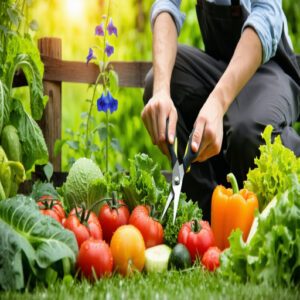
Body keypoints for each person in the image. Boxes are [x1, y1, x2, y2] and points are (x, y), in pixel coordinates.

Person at [142, 0, 300, 221]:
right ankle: (206, 219)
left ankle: (287, 193)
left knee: (247, 129)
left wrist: (217, 103)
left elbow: (267, 16)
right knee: (156, 83)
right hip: (220, 67)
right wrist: (160, 91)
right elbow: (165, 5)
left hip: (271, 69)